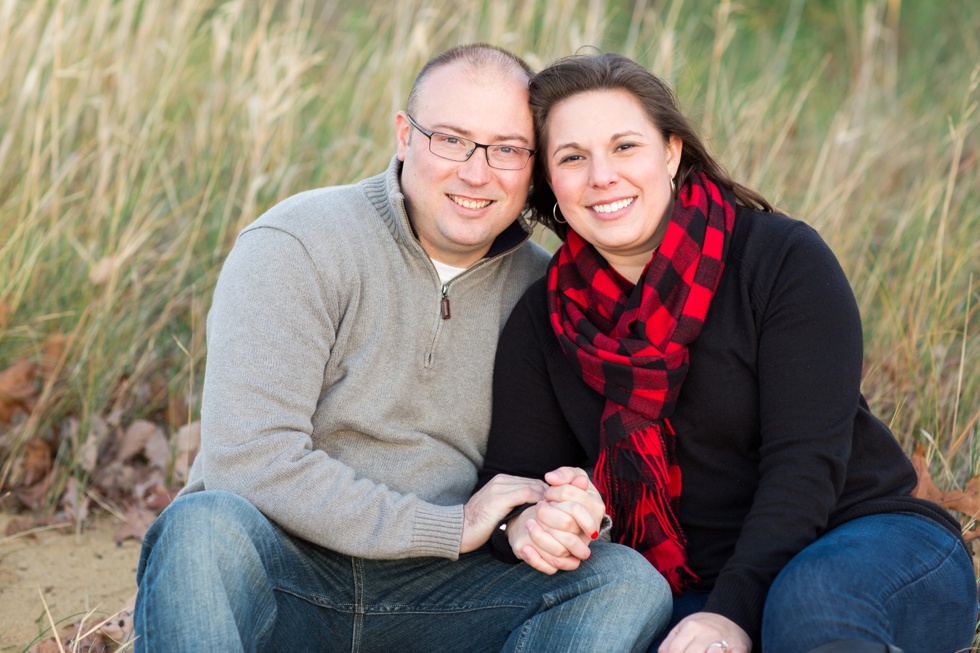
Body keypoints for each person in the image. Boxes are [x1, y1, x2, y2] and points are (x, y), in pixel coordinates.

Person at [132, 44, 672, 652]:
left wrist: (552, 513)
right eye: (450, 139)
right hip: (285, 569)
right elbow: (248, 460)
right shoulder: (298, 243)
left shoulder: (549, 294)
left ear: (534, 166)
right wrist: (452, 524)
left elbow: (552, 474)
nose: (476, 172)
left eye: (507, 149)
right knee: (201, 529)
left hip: (445, 593)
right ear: (403, 136)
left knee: (625, 583)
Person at [478, 52, 978, 653]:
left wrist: (732, 615)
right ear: (550, 183)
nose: (601, 176)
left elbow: (804, 469)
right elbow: (514, 484)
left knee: (808, 607)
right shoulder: (548, 318)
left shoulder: (778, 260)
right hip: (684, 586)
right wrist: (530, 524)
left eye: (626, 147)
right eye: (572, 158)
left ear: (671, 152)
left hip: (866, 545)